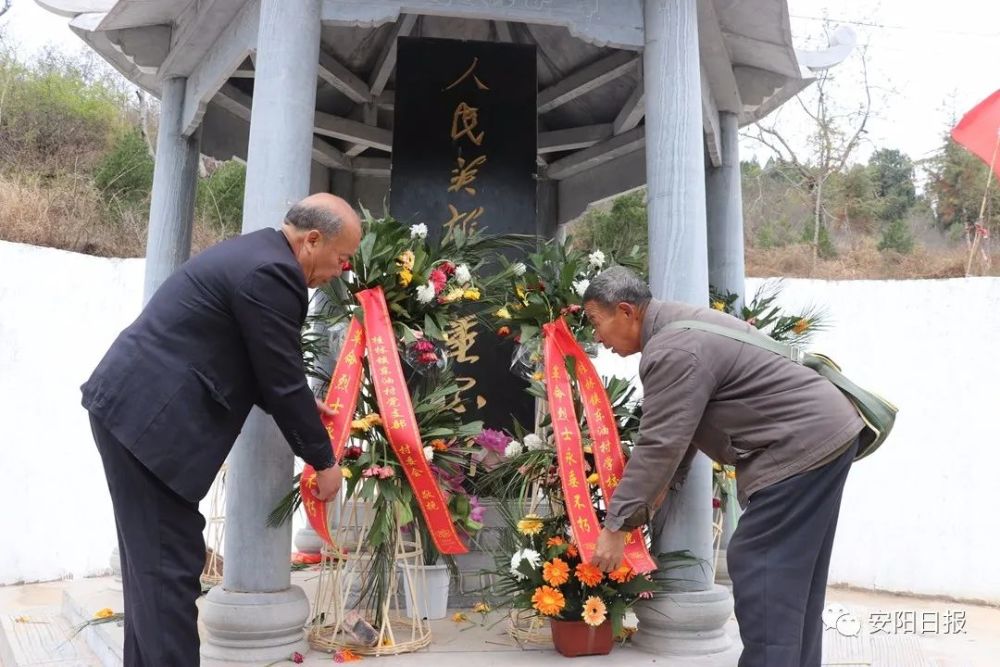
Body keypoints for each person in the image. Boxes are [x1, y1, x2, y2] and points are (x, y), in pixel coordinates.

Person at [81, 193, 362, 666]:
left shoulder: (257, 254)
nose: (342, 271)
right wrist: (323, 460)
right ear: (312, 240)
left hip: (132, 414)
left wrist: (294, 399)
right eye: (341, 258)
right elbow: (280, 375)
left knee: (153, 571)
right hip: (149, 424)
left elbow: (255, 363)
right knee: (168, 569)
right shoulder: (273, 273)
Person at [584, 266, 863, 667]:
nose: (597, 337)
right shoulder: (682, 327)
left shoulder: (671, 349)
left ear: (626, 311)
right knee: (794, 582)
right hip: (822, 435)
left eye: (596, 322)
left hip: (798, 445)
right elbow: (680, 436)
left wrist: (617, 526)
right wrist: (652, 499)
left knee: (761, 567)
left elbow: (660, 443)